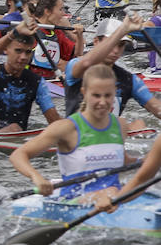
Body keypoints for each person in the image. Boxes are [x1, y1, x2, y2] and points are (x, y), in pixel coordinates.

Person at [9, 64, 127, 198]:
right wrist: (37, 177)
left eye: (108, 95)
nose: (102, 102)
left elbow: (125, 162)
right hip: (75, 201)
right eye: (96, 95)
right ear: (84, 93)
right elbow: (18, 155)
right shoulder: (66, 128)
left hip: (114, 199)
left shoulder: (120, 125)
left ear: (115, 93)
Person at [60, 15, 161, 131]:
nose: (116, 50)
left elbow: (157, 109)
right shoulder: (76, 66)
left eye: (121, 45)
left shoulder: (129, 79)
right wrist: (123, 29)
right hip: (77, 140)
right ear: (96, 42)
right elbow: (86, 63)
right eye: (112, 43)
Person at [0, 16, 62, 132]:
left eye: (27, 52)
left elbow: (53, 119)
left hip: (17, 141)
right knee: (14, 128)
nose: (23, 57)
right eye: (18, 51)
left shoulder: (37, 82)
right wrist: (14, 33)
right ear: (6, 50)